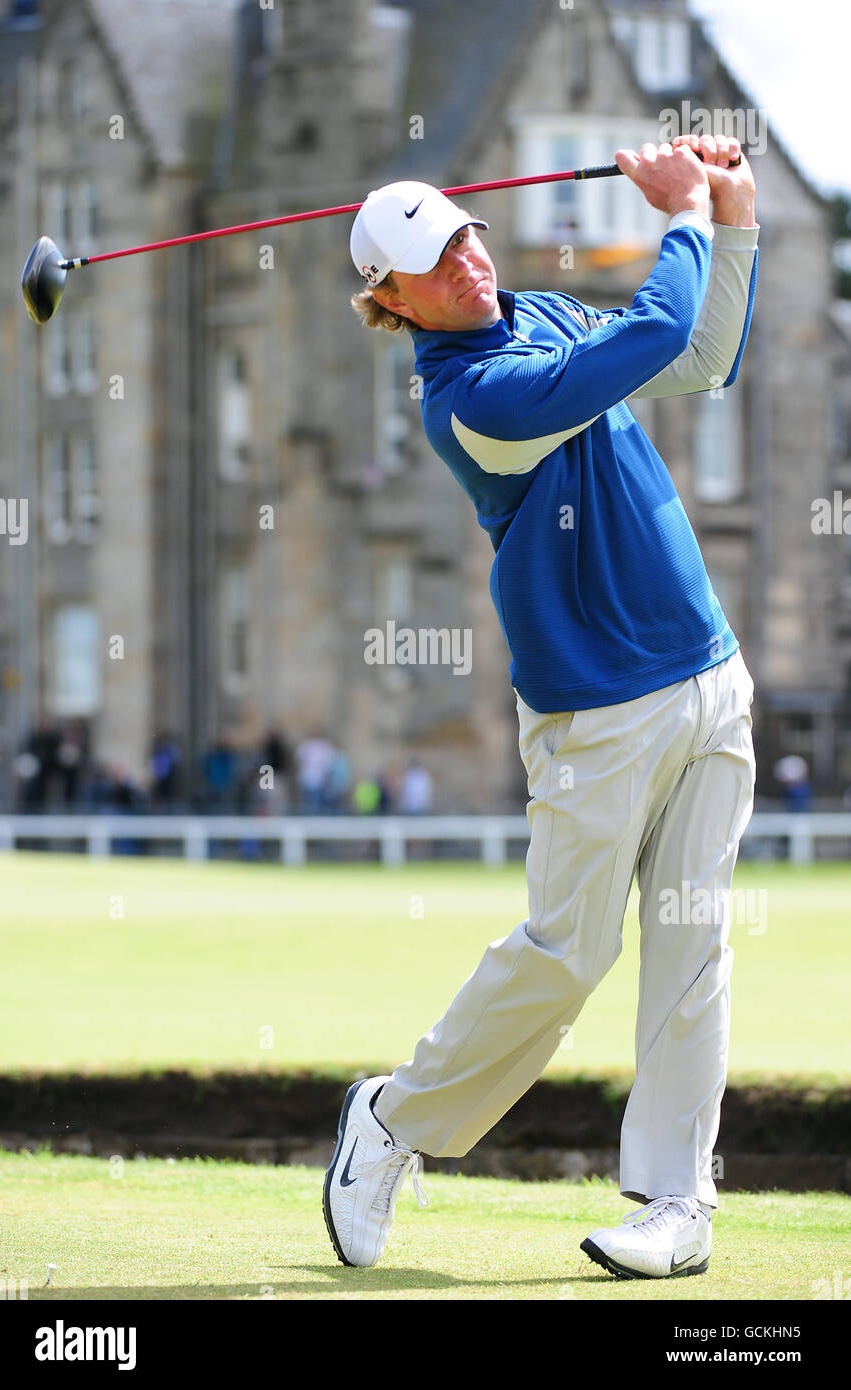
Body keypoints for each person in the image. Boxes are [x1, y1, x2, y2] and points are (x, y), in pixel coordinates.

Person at [324, 135, 758, 1279]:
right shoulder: (469, 404)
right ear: (391, 300)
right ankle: (393, 1122)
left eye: (462, 231)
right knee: (566, 954)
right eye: (432, 256)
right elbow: (657, 326)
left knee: (692, 946)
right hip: (595, 711)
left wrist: (735, 218)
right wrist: (678, 215)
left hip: (706, 672)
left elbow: (700, 354)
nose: (465, 258)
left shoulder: (551, 318)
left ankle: (674, 1202)